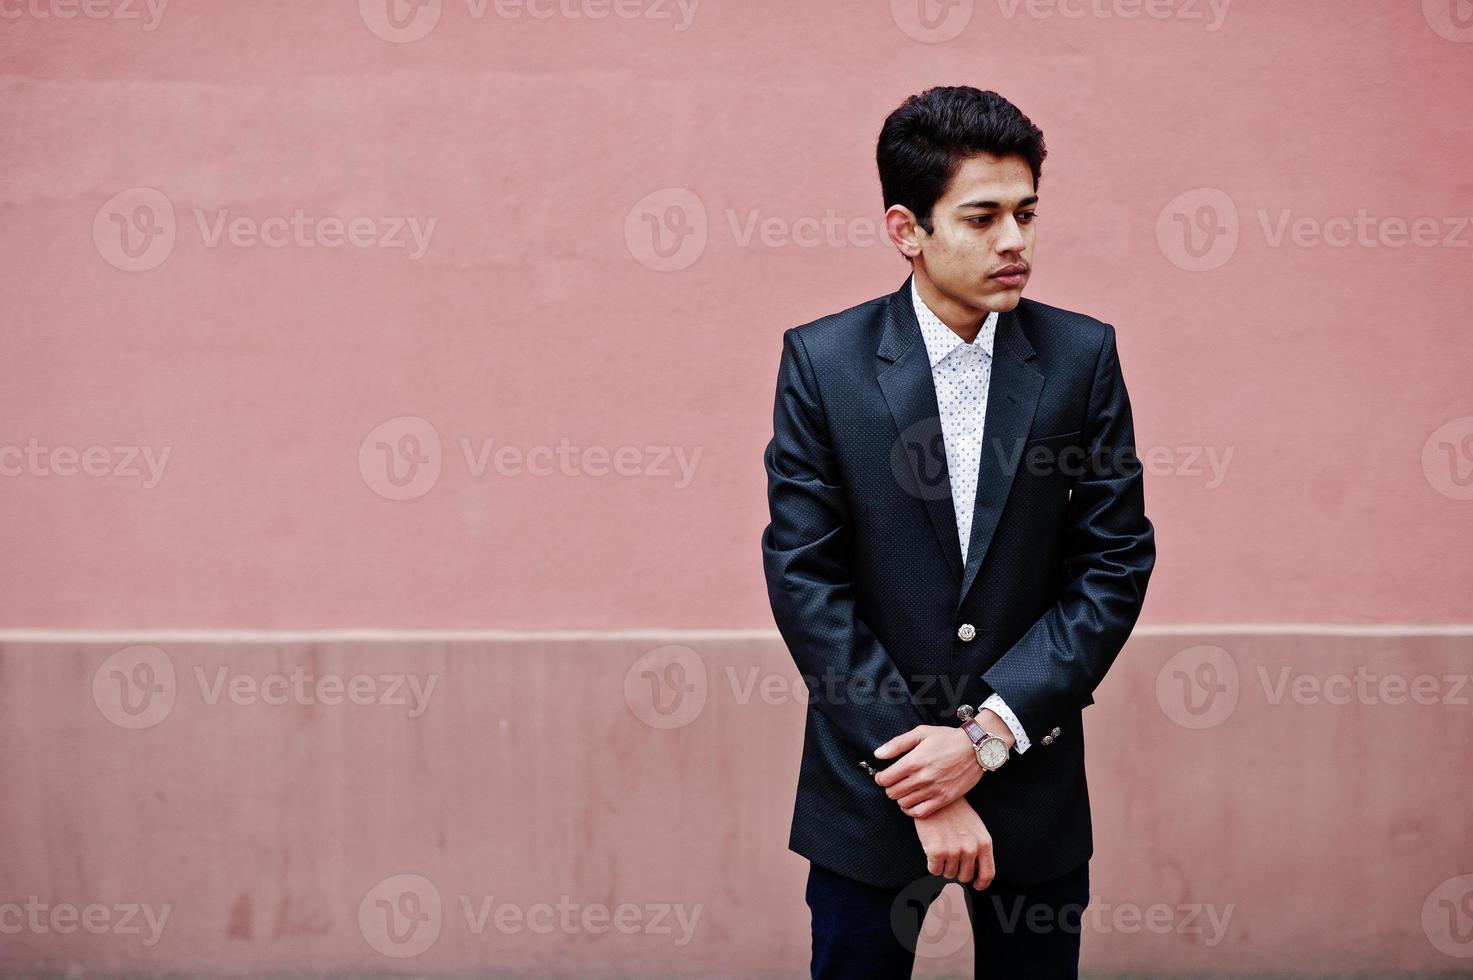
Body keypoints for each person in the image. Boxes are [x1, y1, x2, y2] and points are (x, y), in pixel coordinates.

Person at [760, 85, 1156, 979]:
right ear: (907, 229)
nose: (1013, 241)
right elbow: (804, 579)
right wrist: (919, 776)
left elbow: (1113, 564)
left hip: (1030, 775)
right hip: (871, 783)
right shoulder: (824, 364)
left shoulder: (1080, 358)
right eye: (981, 217)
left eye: (1026, 213)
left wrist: (982, 741)